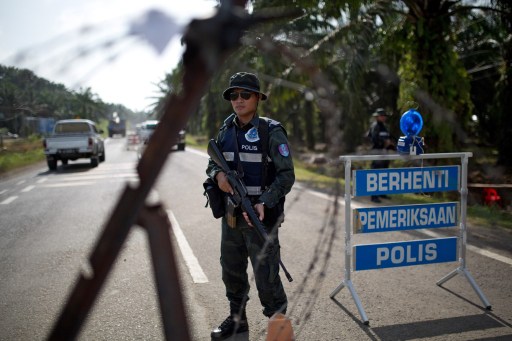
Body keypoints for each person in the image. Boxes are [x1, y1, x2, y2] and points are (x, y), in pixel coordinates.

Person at [206, 72, 295, 340]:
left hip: (261, 216)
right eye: (234, 95)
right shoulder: (226, 129)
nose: (239, 100)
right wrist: (218, 176)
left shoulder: (271, 131)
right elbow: (213, 163)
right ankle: (237, 321)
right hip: (232, 216)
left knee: (267, 275)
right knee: (231, 270)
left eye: (245, 94)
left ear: (257, 98)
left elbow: (286, 175)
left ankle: (279, 329)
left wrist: (265, 202)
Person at [368, 108, 393, 203]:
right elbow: (374, 139)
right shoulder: (375, 126)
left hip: (385, 153)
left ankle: (382, 193)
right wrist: (384, 142)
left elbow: (389, 138)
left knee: (384, 173)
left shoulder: (385, 127)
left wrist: (390, 145)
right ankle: (374, 196)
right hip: (377, 153)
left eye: (384, 116)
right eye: (381, 116)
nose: (383, 117)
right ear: (377, 117)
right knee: (375, 174)